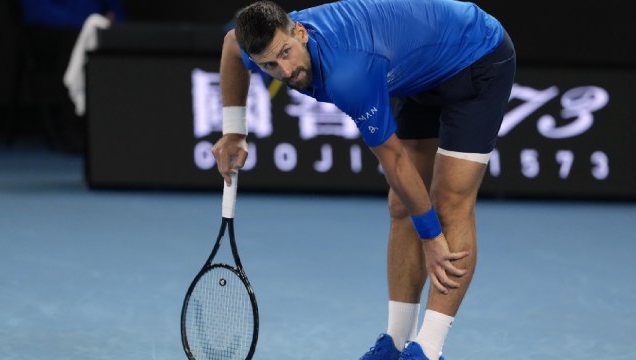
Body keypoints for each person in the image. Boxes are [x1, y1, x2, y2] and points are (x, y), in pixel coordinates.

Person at [211, 0, 516, 359]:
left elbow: (395, 161)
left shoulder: (348, 75)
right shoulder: (264, 45)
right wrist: (234, 131)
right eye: (269, 66)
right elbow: (232, 44)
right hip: (416, 72)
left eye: (286, 53)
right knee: (402, 203)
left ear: (300, 32)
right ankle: (397, 343)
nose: (286, 70)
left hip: (474, 55)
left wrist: (432, 237)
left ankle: (429, 350)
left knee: (449, 202)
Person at [17, 0, 125, 152]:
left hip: (90, 28)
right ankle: (72, 126)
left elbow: (115, 11)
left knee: (116, 39)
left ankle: (118, 128)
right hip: (51, 32)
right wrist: (85, 25)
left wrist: (110, 21)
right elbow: (36, 11)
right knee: (74, 40)